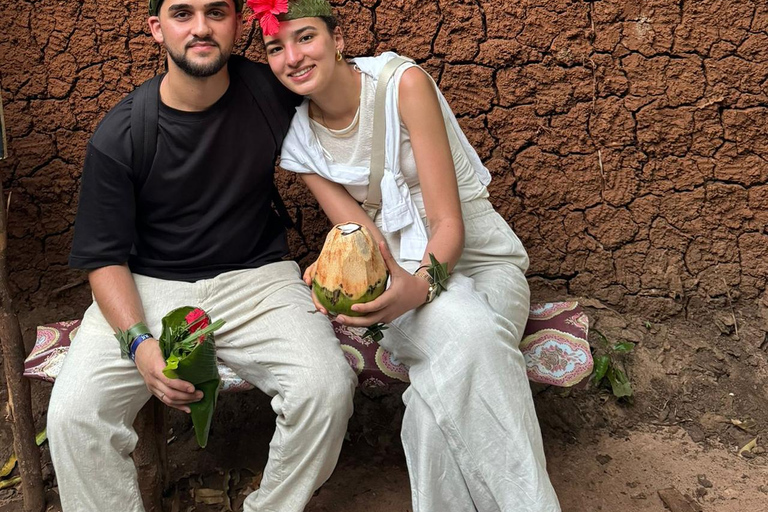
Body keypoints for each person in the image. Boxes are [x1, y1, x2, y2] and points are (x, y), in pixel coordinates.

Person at [46, 0, 357, 510]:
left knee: (324, 389)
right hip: (149, 285)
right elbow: (104, 261)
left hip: (259, 278)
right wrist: (141, 346)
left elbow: (351, 94)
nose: (200, 29)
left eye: (216, 12)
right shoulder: (121, 133)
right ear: (157, 28)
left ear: (238, 23)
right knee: (74, 417)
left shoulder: (271, 90)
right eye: (182, 14)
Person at [255, 0, 562, 510]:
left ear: (338, 39)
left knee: (442, 387)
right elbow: (362, 239)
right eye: (275, 47)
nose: (293, 56)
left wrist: (422, 283)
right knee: (471, 335)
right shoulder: (300, 140)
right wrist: (336, 273)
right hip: (394, 271)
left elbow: (448, 222)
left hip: (481, 258)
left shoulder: (403, 85)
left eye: (305, 37)